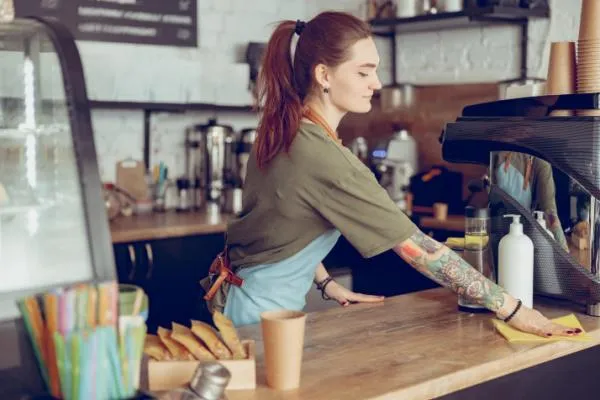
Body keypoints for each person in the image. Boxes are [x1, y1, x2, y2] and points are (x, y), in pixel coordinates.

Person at [200, 11, 580, 339]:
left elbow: (284, 220)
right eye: (364, 71)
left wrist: (327, 283)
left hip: (237, 305)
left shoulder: (283, 129)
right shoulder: (323, 156)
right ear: (324, 75)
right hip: (257, 322)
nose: (377, 83)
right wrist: (514, 309)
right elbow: (419, 249)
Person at [491, 151, 569, 251]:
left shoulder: (539, 163)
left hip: (523, 242)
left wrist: (564, 251)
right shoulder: (497, 153)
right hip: (496, 237)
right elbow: (550, 213)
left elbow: (549, 214)